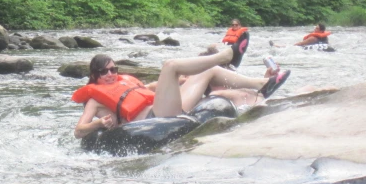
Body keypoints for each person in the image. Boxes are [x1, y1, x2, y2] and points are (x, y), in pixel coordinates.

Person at [72, 45, 291, 139]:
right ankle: (227, 56)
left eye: (113, 69)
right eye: (103, 72)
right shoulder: (93, 99)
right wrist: (99, 124)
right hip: (154, 120)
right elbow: (79, 131)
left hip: (166, 110)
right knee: (170, 65)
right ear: (94, 76)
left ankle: (263, 83)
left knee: (210, 71)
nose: (110, 74)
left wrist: (186, 80)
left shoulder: (126, 83)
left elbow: (152, 89)